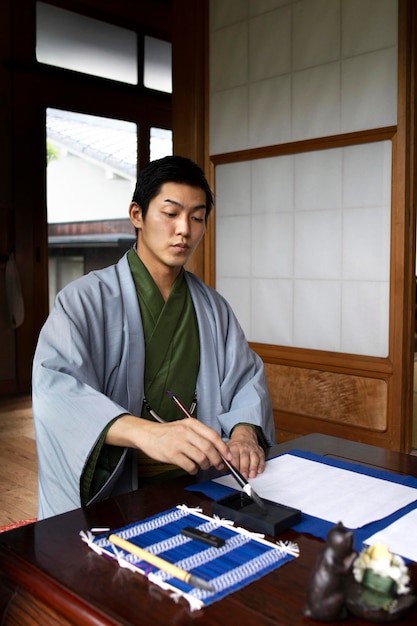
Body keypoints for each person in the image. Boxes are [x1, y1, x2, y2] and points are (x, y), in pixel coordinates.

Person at [32, 155, 275, 519]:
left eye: (197, 218)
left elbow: (245, 379)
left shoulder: (213, 307)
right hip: (115, 489)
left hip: (199, 481)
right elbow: (57, 390)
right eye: (171, 213)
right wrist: (146, 433)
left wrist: (243, 433)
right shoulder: (83, 300)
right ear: (137, 215)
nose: (185, 230)